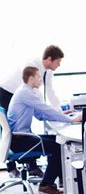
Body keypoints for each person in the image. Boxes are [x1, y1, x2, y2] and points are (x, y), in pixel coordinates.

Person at [7, 66, 81, 194]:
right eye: (39, 77)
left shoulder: (24, 91)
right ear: (31, 78)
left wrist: (62, 114)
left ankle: (63, 180)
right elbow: (45, 109)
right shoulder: (26, 93)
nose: (41, 80)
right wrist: (71, 120)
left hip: (19, 138)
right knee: (58, 148)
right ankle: (46, 184)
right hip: (20, 140)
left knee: (56, 140)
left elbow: (40, 114)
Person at [0, 45, 66, 177]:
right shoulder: (31, 65)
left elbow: (50, 91)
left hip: (20, 97)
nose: (59, 65)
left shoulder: (48, 72)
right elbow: (33, 91)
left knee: (25, 129)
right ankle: (11, 166)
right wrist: (46, 109)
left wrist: (60, 111)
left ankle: (32, 167)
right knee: (10, 130)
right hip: (6, 93)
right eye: (58, 62)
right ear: (49, 59)